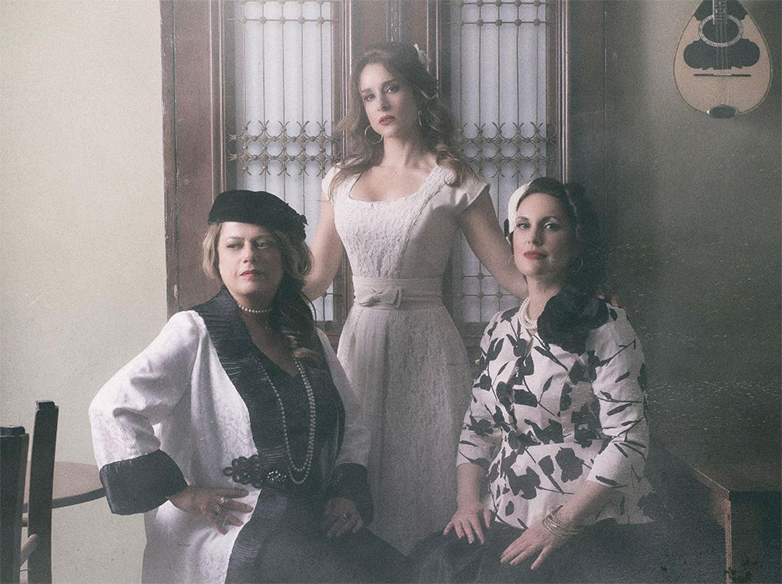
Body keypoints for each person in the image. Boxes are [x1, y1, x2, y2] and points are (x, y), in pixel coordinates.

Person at [90, 190, 403, 583]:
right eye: (234, 245)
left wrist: (346, 492)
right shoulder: (193, 332)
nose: (249, 256)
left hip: (307, 518)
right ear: (217, 258)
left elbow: (351, 424)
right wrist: (181, 492)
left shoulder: (310, 339)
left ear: (286, 257)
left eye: (264, 244)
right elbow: (112, 407)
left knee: (399, 571)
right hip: (231, 526)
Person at [303, 42, 528, 554]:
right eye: (368, 96)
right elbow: (316, 278)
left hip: (427, 346)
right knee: (359, 470)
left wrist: (577, 296)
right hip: (361, 343)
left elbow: (511, 275)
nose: (380, 104)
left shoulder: (454, 181)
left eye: (392, 88)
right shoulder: (341, 180)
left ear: (419, 93)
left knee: (427, 474)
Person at [415, 177, 664, 583]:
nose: (534, 237)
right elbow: (477, 427)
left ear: (576, 242)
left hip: (585, 518)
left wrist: (560, 524)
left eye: (551, 226)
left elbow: (629, 438)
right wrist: (467, 501)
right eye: (523, 225)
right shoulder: (500, 328)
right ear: (511, 239)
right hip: (507, 510)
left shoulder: (606, 325)